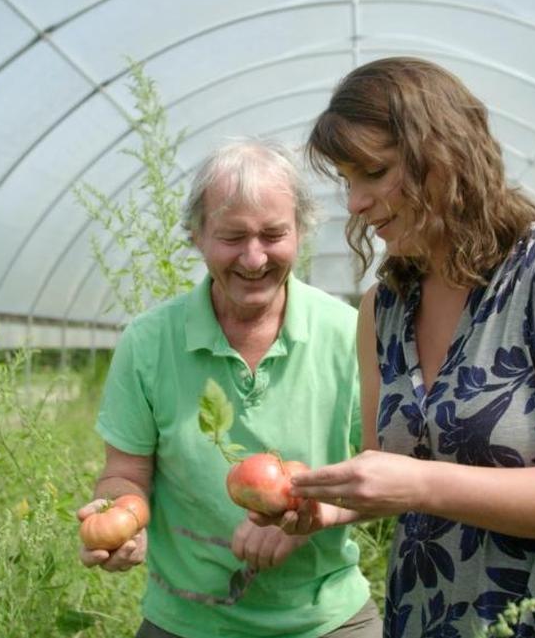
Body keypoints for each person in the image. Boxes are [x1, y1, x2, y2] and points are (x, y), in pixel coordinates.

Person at [256, 57, 535, 637]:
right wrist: (325, 507)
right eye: (347, 181)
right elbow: (390, 472)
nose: (355, 204)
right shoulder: (385, 308)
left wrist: (421, 484)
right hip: (431, 609)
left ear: (443, 154)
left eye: (373, 172)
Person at [76, 138, 382, 637]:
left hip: (327, 619)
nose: (255, 258)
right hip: (187, 621)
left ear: (301, 233)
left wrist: (310, 519)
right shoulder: (149, 342)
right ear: (197, 236)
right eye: (232, 237)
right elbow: (125, 472)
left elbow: (381, 472)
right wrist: (121, 518)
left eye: (273, 234)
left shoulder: (346, 333)